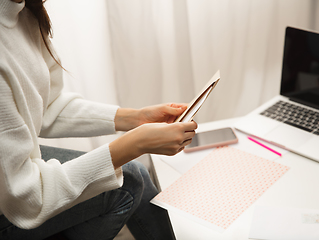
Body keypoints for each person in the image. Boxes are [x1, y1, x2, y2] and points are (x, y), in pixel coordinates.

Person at [0, 0, 198, 239]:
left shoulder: (25, 13)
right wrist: (135, 144)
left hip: (14, 169)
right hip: (13, 198)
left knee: (136, 174)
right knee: (129, 180)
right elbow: (26, 199)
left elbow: (47, 105)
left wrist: (135, 118)